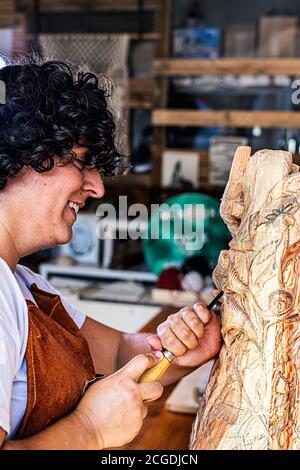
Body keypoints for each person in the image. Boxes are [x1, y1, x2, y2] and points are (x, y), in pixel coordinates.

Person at [0, 60, 222, 450]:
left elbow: (117, 353)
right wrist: (89, 430)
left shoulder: (24, 286)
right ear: (21, 155)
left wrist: (179, 353)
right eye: (82, 162)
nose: (97, 187)